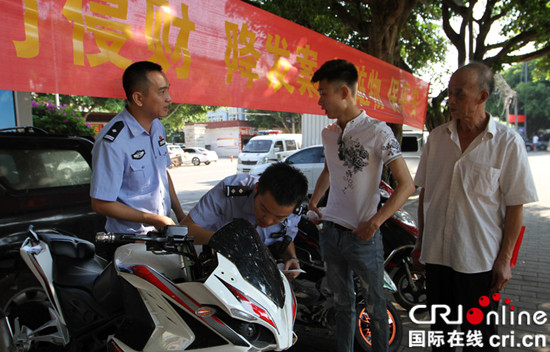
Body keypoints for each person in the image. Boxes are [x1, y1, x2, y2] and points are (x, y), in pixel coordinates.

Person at [411, 62, 538, 352]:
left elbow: (515, 207)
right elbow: (426, 195)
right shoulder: (437, 139)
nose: (451, 100)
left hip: (479, 262)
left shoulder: (507, 143)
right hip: (437, 258)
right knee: (440, 335)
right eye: (449, 93)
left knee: (478, 338)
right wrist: (420, 240)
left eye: (459, 93)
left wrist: (504, 260)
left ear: (482, 97)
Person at [307, 59, 415, 352]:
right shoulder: (328, 134)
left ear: (344, 92)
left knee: (376, 308)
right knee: (342, 305)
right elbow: (330, 169)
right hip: (330, 233)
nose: (319, 101)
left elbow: (407, 185)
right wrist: (315, 203)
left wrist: (375, 222)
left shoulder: (378, 131)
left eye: (324, 93)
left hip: (363, 236)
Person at [90, 61, 185, 234]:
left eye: (168, 90)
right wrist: (151, 219)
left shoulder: (157, 127)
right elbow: (100, 203)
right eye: (162, 92)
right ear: (138, 98)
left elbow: (162, 172)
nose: (169, 98)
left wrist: (180, 214)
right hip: (130, 240)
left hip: (161, 234)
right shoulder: (113, 141)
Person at [181, 162, 308, 278]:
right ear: (257, 189)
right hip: (220, 262)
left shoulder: (294, 209)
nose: (268, 221)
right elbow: (186, 229)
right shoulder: (229, 191)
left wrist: (291, 258)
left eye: (279, 217)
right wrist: (227, 240)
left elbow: (284, 238)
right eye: (264, 209)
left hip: (260, 268)